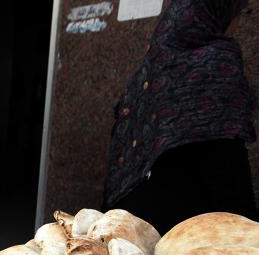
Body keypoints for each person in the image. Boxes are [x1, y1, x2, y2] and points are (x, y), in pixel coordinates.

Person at [103, 0, 257, 234]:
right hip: (189, 234)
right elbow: (227, 166)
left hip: (131, 228)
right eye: (240, 11)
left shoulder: (150, 69)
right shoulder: (217, 63)